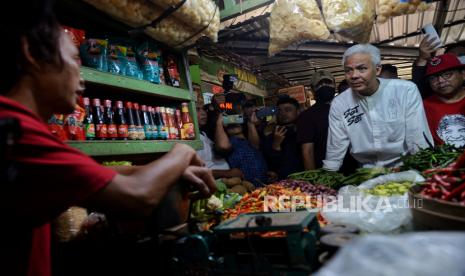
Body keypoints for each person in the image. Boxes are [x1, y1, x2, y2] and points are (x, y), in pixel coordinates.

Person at [0, 2, 215, 276]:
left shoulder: (24, 130)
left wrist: (171, 170)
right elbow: (138, 195)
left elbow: (99, 174)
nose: (81, 75)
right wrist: (181, 152)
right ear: (32, 54)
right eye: (74, 58)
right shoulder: (14, 130)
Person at [323, 44, 433, 171]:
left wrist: (425, 171)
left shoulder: (405, 90)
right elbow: (335, 146)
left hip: (405, 167)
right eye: (348, 70)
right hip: (365, 173)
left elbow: (417, 136)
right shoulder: (339, 103)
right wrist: (327, 179)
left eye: (362, 68)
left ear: (378, 69)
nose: (354, 75)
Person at [423, 53, 465, 147]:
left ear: (463, 75)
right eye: (433, 78)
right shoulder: (424, 106)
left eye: (447, 74)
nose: (440, 81)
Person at [297, 70, 337, 170]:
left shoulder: (344, 109)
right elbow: (307, 151)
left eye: (328, 83)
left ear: (334, 85)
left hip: (353, 171)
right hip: (326, 173)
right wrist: (314, 182)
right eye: (319, 84)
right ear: (312, 89)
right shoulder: (307, 116)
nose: (324, 86)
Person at [196, 104, 244, 178]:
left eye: (204, 109)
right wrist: (227, 173)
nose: (203, 113)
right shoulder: (190, 138)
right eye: (197, 109)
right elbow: (194, 171)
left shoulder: (203, 134)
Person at [263, 97, 303, 179]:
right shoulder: (272, 134)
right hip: (284, 183)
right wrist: (276, 145)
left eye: (288, 110)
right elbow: (272, 163)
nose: (283, 114)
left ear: (298, 111)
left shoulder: (305, 131)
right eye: (279, 111)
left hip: (304, 180)